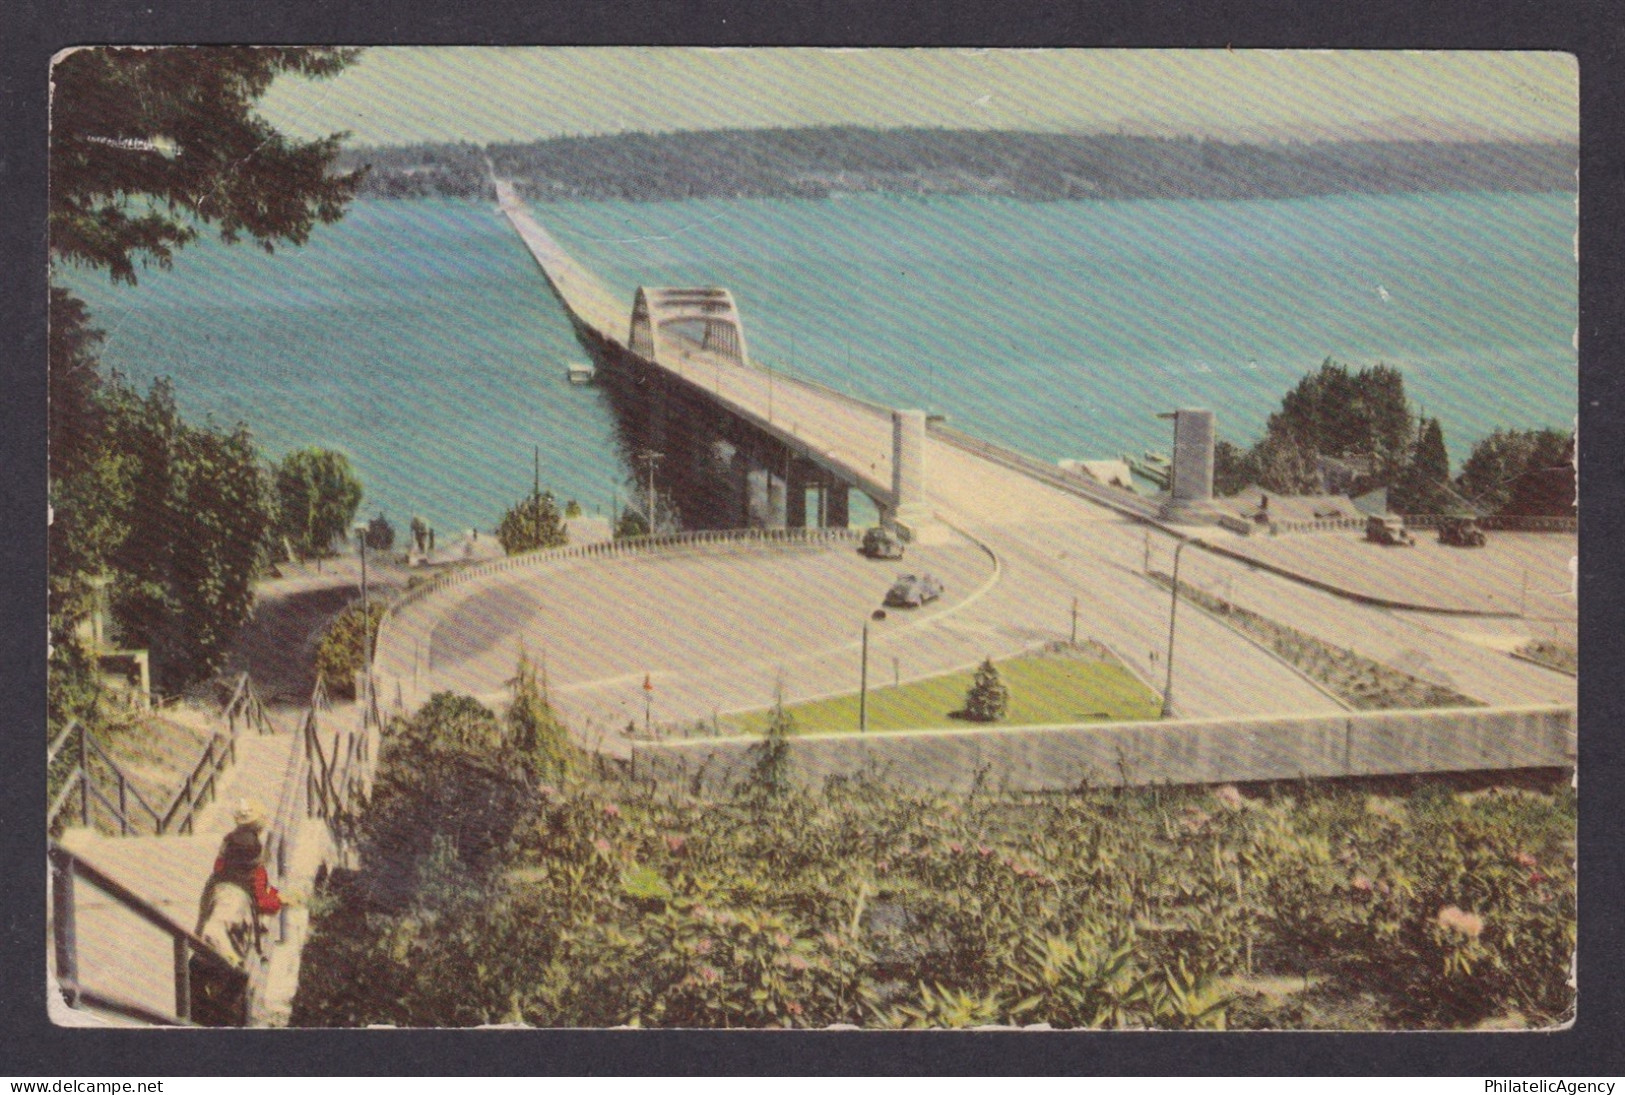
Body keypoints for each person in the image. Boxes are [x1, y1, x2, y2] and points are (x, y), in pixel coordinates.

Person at [209, 799, 282, 917]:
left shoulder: (229, 838)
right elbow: (257, 863)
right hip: (247, 879)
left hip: (227, 875)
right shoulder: (255, 842)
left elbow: (220, 859)